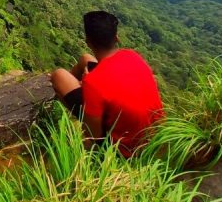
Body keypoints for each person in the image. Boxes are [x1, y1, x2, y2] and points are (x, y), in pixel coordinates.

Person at [49, 11, 163, 157]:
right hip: (155, 138)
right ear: (116, 38)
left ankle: (70, 93)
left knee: (59, 75)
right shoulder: (132, 55)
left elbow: (93, 135)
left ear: (88, 42)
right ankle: (77, 87)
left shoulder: (93, 82)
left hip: (125, 151)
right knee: (86, 58)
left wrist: (88, 88)